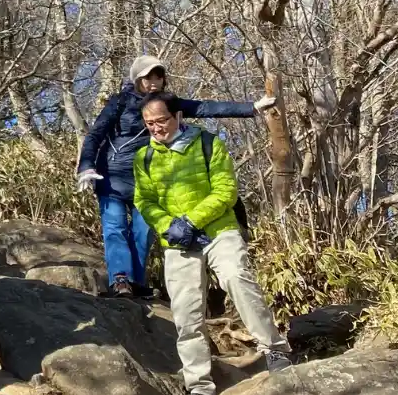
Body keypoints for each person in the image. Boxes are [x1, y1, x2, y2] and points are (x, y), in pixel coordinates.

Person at [133, 94, 291, 395]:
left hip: (219, 230)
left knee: (238, 279)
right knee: (186, 312)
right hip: (177, 241)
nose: (155, 129)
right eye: (149, 124)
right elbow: (144, 201)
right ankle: (199, 387)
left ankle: (275, 350)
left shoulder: (208, 144)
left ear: (177, 116)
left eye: (160, 121)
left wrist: (191, 221)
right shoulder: (144, 158)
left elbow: (225, 190)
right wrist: (169, 226)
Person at [78, 56, 276, 298]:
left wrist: (252, 107)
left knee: (144, 231)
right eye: (147, 77)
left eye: (158, 76)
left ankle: (136, 283)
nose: (153, 82)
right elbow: (96, 134)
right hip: (112, 177)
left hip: (148, 178)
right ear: (137, 79)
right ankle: (120, 280)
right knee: (115, 228)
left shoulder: (167, 104)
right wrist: (86, 166)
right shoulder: (120, 103)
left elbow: (205, 107)